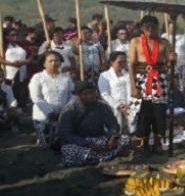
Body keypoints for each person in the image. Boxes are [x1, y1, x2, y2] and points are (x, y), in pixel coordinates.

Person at [128, 15, 173, 153]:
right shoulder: (135, 42)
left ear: (158, 28)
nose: (150, 30)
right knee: (143, 112)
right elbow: (131, 65)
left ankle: (158, 142)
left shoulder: (164, 42)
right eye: (147, 27)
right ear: (142, 28)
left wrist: (172, 60)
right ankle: (143, 142)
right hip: (141, 80)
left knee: (159, 112)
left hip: (160, 80)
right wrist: (133, 86)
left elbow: (168, 65)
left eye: (153, 27)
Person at [57, 81, 126, 167]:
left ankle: (97, 157)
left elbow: (113, 125)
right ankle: (106, 156)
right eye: (85, 94)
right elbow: (66, 135)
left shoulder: (103, 106)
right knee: (69, 149)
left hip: (99, 139)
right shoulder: (69, 110)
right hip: (78, 143)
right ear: (78, 95)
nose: (90, 96)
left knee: (125, 139)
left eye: (92, 92)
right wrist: (88, 144)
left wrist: (112, 138)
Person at [29, 51, 75, 147]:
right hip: (43, 117)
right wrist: (50, 112)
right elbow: (35, 97)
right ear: (44, 64)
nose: (54, 63)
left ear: (60, 63)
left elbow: (72, 95)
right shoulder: (37, 77)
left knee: (65, 143)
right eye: (50, 61)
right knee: (47, 145)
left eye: (57, 60)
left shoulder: (66, 78)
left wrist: (65, 111)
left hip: (64, 115)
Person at [98, 51, 133, 135]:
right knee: (116, 126)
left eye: (124, 62)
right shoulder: (104, 75)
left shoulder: (128, 75)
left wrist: (128, 104)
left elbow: (131, 91)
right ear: (112, 62)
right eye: (120, 62)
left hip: (128, 105)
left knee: (132, 123)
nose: (122, 64)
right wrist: (118, 106)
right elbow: (104, 94)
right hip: (112, 105)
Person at [0, 28, 29, 108]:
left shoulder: (21, 46)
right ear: (7, 36)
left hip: (22, 73)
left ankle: (21, 110)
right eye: (12, 35)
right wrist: (12, 63)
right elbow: (1, 59)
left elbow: (30, 58)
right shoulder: (3, 47)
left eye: (16, 35)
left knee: (22, 93)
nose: (15, 37)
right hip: (9, 74)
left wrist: (23, 62)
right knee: (11, 93)